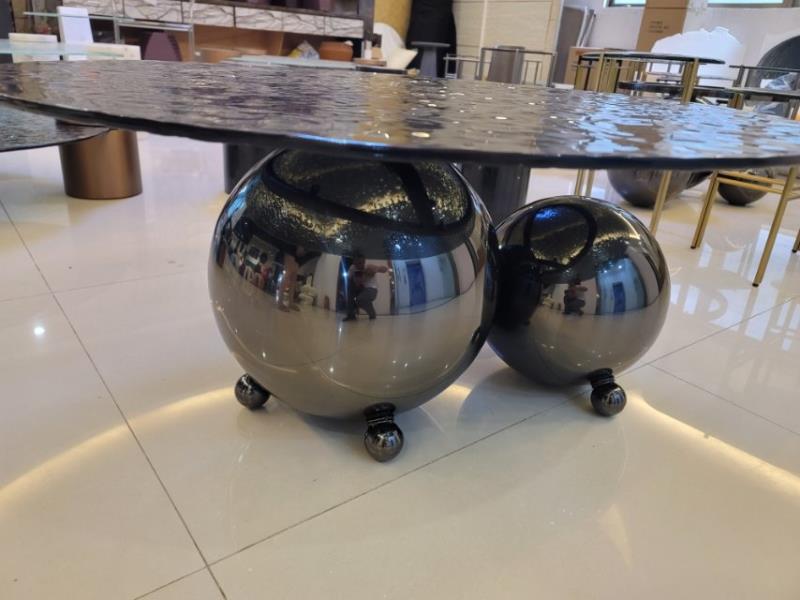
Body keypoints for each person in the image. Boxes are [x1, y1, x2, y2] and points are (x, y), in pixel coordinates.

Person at [343, 256, 388, 321]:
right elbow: (349, 279)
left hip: (371, 289)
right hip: (360, 288)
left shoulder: (368, 266)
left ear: (364, 262)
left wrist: (377, 269)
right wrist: (355, 281)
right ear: (354, 262)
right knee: (350, 291)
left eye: (361, 263)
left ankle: (372, 314)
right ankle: (351, 315)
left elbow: (385, 269)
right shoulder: (352, 268)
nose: (359, 265)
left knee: (359, 299)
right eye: (357, 263)